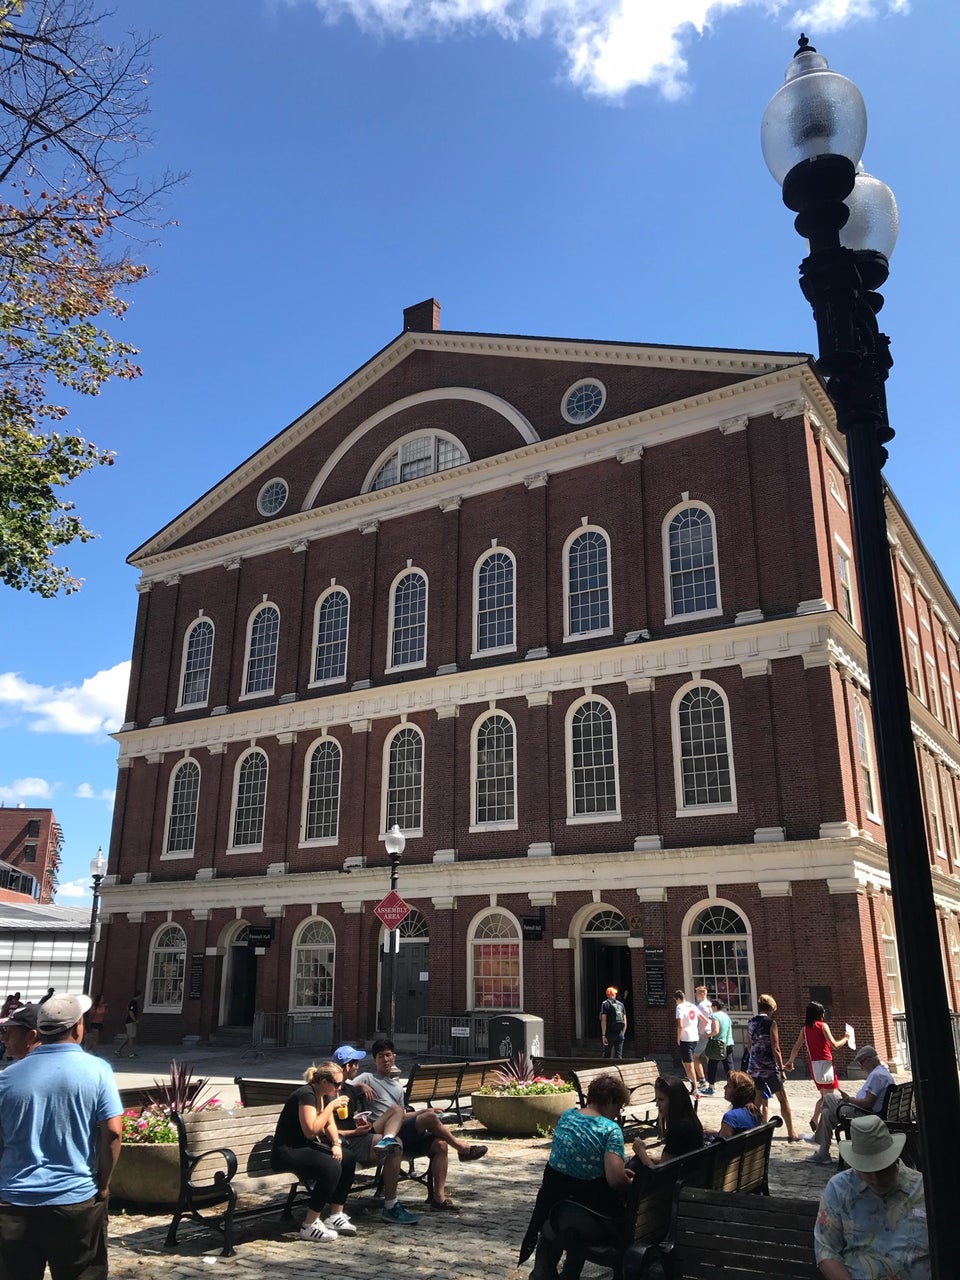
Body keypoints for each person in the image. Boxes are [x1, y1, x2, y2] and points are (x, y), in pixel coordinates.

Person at [0, 993, 123, 1280]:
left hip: (16, 1200)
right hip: (73, 1198)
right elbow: (113, 1133)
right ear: (78, 1028)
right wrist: (103, 1185)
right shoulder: (98, 1070)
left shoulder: (6, 1078)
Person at [520, 1073, 634, 1280]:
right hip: (589, 1218)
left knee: (557, 1226)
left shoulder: (567, 1116)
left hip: (552, 1208)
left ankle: (542, 1273)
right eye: (618, 1108)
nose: (617, 1114)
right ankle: (568, 1275)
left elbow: (574, 1160)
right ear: (610, 1101)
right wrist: (629, 1181)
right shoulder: (610, 1130)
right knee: (585, 1217)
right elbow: (616, 1180)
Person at [352, 1038, 487, 1211]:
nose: (385, 1060)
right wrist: (361, 1086)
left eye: (388, 1055)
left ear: (394, 1057)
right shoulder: (368, 1078)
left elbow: (402, 1113)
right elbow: (346, 1086)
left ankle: (438, 1199)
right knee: (429, 1118)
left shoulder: (396, 1085)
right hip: (385, 1133)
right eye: (380, 1056)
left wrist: (423, 1112)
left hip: (401, 1127)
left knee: (440, 1144)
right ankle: (462, 1148)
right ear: (374, 1060)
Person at [814, 1114, 929, 1280]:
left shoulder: (923, 1189)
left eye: (883, 1169)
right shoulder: (840, 1188)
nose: (875, 1178)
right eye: (867, 1170)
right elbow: (826, 1250)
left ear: (894, 1158)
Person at [270, 1060, 358, 1242]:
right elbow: (310, 1131)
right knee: (331, 1167)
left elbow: (329, 1124)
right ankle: (309, 1225)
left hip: (304, 1148)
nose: (340, 1088)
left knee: (347, 1158)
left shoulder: (324, 1094)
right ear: (324, 1082)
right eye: (337, 1084)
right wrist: (330, 1108)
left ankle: (335, 1215)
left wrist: (336, 1143)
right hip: (287, 1151)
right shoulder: (307, 1095)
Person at [329, 1045, 417, 1224]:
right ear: (347, 1066)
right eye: (355, 1064)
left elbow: (347, 1115)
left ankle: (391, 1204)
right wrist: (354, 1130)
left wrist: (359, 1121)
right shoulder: (330, 1091)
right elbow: (325, 1128)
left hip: (356, 1136)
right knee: (396, 1146)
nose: (358, 1067)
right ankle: (390, 1206)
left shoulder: (348, 1088)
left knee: (396, 1136)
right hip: (342, 1142)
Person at [808, 1046, 896, 1167]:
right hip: (865, 1111)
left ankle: (820, 1146)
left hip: (864, 1113)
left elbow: (867, 1103)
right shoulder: (881, 1073)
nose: (861, 1066)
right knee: (827, 1113)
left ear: (869, 1060)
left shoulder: (877, 1076)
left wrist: (849, 1099)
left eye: (861, 1062)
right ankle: (823, 1153)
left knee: (828, 1098)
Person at [785, 1001, 848, 1137]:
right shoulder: (823, 1026)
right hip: (826, 1064)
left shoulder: (805, 1029)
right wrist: (846, 1038)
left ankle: (815, 1119)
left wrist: (790, 1061)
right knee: (828, 1098)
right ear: (819, 1014)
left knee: (824, 1096)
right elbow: (835, 1045)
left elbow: (796, 1046)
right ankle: (821, 1126)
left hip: (813, 1065)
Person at [746, 993, 799, 1140]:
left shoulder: (750, 1022)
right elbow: (776, 1047)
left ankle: (754, 1131)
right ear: (770, 1009)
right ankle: (791, 1132)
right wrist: (781, 1069)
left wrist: (755, 1059)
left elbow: (749, 1046)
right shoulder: (771, 1023)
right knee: (782, 1098)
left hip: (755, 1066)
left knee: (757, 1099)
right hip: (769, 1066)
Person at [632, 1075, 703, 1167]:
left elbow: (660, 1172)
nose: (657, 1104)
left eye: (661, 1100)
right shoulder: (692, 1121)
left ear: (675, 1102)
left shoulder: (678, 1130)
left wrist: (641, 1152)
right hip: (690, 1175)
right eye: (656, 1099)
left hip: (677, 1179)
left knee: (635, 1163)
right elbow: (673, 1159)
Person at [704, 1071, 762, 1139]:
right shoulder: (754, 1112)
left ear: (738, 1092)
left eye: (729, 1086)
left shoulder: (731, 1117)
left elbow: (721, 1146)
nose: (724, 1087)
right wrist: (716, 1133)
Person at [673, 989, 705, 1094]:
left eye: (675, 1000)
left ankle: (695, 1087)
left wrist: (678, 1038)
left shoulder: (679, 1007)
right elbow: (704, 1020)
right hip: (694, 1037)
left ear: (677, 999)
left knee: (689, 1063)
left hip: (685, 1038)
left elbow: (680, 1025)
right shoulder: (693, 1006)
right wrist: (699, 1031)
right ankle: (692, 1082)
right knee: (685, 1061)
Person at [703, 998, 735, 1088]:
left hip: (718, 1044)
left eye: (711, 1006)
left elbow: (716, 1031)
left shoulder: (715, 1016)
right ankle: (733, 1085)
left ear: (715, 1006)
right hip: (728, 1043)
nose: (711, 1008)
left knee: (712, 1066)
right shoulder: (726, 1016)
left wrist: (707, 1035)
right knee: (729, 1067)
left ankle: (711, 1086)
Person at [692, 985, 714, 1092]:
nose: (696, 996)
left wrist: (699, 1031)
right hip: (711, 1032)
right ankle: (711, 1081)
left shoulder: (700, 1006)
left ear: (702, 994)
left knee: (694, 1056)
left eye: (696, 994)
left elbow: (703, 1020)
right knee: (708, 1057)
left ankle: (702, 1080)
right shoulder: (710, 1004)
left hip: (704, 1033)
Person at [599, 986, 627, 1059]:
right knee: (619, 1056)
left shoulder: (605, 1004)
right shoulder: (621, 1004)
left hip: (609, 1033)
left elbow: (603, 1020)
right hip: (619, 1033)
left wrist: (603, 1035)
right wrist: (622, 1034)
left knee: (606, 1056)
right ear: (614, 995)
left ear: (607, 995)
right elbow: (625, 1021)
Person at [115, 989, 140, 1058]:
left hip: (128, 1022)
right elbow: (130, 1011)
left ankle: (118, 1050)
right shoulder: (133, 1002)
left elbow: (127, 1009)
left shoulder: (130, 1002)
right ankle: (130, 1053)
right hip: (130, 1022)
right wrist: (134, 1020)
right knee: (131, 1038)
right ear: (138, 996)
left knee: (127, 1038)